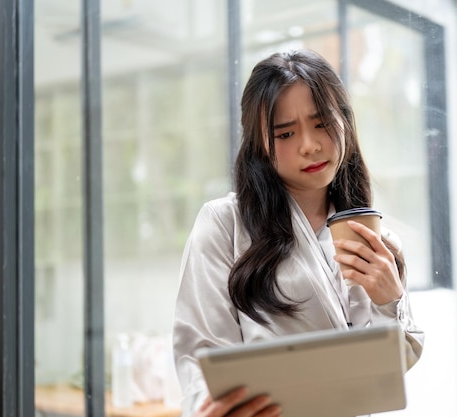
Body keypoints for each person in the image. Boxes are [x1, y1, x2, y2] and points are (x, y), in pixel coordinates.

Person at [172, 49, 424, 417]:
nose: (310, 144)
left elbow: (391, 370)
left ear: (344, 122)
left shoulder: (377, 240)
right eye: (285, 133)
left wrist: (390, 299)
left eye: (322, 123)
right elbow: (199, 353)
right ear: (259, 144)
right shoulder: (225, 222)